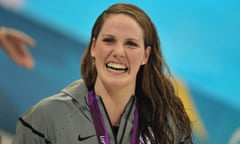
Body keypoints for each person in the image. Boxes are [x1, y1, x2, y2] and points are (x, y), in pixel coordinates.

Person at [12, 3, 193, 144]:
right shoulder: (45, 119)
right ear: (93, 47)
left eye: (131, 44)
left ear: (146, 55)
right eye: (109, 40)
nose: (118, 52)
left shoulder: (168, 126)